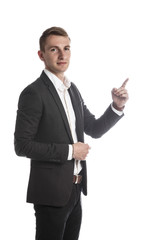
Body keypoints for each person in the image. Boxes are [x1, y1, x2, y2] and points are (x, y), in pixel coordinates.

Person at [14, 26, 129, 240]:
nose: (62, 55)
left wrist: (116, 106)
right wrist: (70, 151)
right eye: (54, 50)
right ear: (41, 55)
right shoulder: (33, 93)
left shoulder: (72, 89)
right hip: (50, 194)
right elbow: (22, 145)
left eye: (66, 48)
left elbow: (94, 128)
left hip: (75, 191)